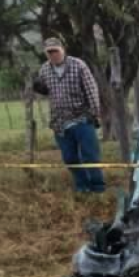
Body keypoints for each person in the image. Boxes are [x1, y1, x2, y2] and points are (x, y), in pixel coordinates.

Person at [34, 38, 106, 194]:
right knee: (69, 158)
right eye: (49, 52)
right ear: (46, 54)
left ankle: (98, 188)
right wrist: (37, 87)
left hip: (81, 117)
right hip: (59, 121)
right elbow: (45, 90)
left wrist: (93, 114)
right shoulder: (44, 69)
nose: (53, 54)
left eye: (55, 51)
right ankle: (82, 186)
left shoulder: (78, 65)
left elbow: (91, 89)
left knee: (90, 156)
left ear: (63, 50)